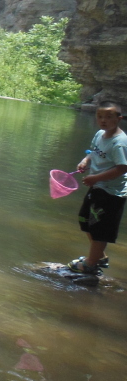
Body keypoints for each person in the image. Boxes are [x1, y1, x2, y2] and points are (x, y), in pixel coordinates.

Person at [68, 101, 127, 275]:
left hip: (111, 193)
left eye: (109, 117)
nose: (103, 120)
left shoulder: (120, 143)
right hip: (97, 187)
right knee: (85, 221)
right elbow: (93, 152)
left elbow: (122, 168)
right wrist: (85, 161)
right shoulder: (100, 134)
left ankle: (91, 264)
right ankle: (99, 257)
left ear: (119, 118)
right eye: (100, 116)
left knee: (100, 229)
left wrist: (95, 178)